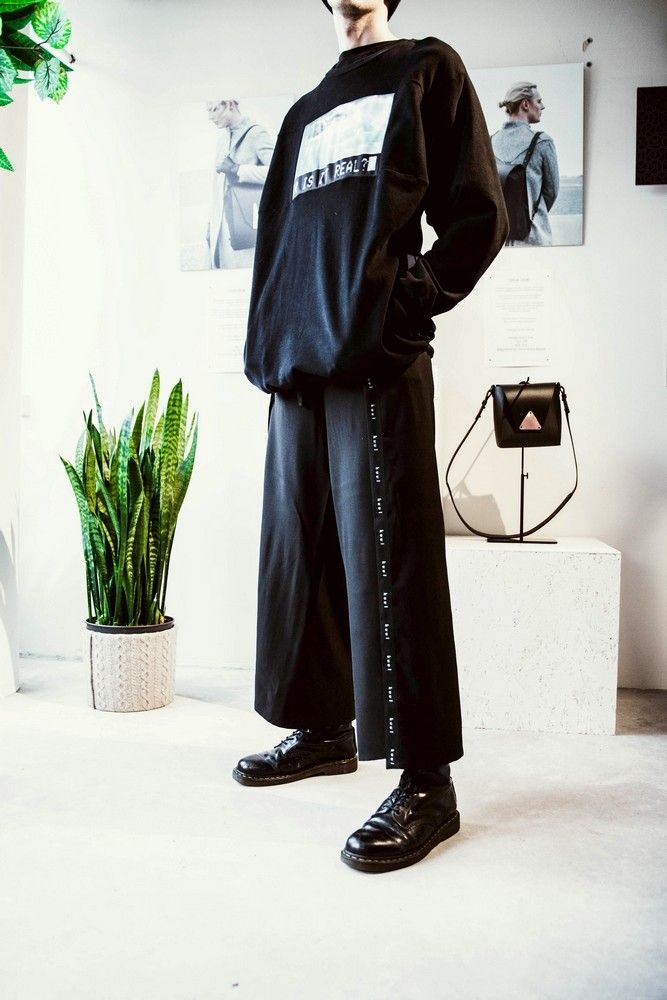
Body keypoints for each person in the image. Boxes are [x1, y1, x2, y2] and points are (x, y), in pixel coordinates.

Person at [235, 0, 509, 873]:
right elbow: (277, 244)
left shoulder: (425, 68)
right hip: (295, 364)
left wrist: (404, 304)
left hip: (375, 357)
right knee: (300, 555)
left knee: (392, 562)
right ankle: (322, 730)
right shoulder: (303, 111)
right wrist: (266, 344)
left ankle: (428, 782)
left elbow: (478, 216)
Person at [206, 98, 275, 268]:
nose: (210, 116)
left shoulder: (256, 133)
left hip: (247, 224)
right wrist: (212, 224)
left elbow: (279, 173)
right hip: (223, 230)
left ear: (230, 105)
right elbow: (217, 189)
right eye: (208, 110)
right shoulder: (221, 142)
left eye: (214, 109)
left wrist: (238, 169)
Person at [490, 82, 560, 247]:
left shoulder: (490, 141)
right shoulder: (543, 142)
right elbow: (551, 192)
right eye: (539, 101)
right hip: (533, 238)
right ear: (525, 104)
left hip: (499, 241)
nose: (542, 106)